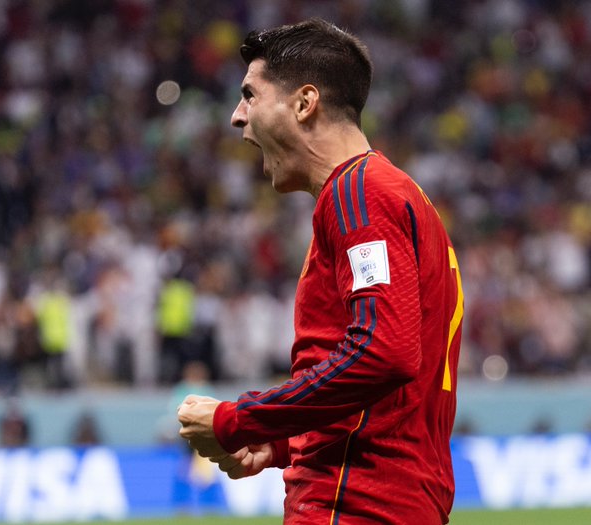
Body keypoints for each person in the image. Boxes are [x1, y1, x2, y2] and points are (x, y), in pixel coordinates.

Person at [177, 18, 464, 525]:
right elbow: (389, 398)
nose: (237, 117)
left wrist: (239, 420)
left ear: (304, 103)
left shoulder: (359, 192)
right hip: (391, 500)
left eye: (250, 95)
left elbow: (382, 353)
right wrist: (284, 441)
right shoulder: (395, 194)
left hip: (355, 505)